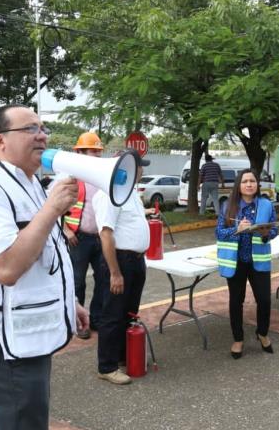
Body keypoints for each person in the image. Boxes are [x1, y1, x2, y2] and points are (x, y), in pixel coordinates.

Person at [0, 104, 88, 429]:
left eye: (43, 128)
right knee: (22, 422)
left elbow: (45, 255)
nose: (42, 136)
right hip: (7, 341)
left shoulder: (26, 182)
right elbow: (6, 268)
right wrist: (52, 209)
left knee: (32, 418)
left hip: (29, 332)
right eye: (30, 129)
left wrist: (69, 302)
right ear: (0, 140)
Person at [93, 149, 152, 385]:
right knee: (112, 315)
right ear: (126, 167)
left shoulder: (130, 193)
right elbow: (106, 234)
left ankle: (122, 357)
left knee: (129, 312)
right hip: (119, 262)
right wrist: (115, 273)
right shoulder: (109, 194)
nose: (143, 170)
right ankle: (106, 366)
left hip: (136, 261)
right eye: (139, 166)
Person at [216, 168, 277, 359]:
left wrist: (267, 234)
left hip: (258, 260)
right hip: (236, 262)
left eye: (252, 181)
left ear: (257, 184)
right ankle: (238, 339)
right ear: (239, 186)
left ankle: (262, 333)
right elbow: (219, 233)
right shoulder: (228, 206)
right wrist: (237, 229)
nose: (249, 184)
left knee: (264, 300)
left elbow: (274, 230)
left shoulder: (267, 205)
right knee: (236, 301)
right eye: (245, 182)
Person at [62, 132, 108, 340]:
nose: (97, 156)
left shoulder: (103, 177)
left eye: (99, 152)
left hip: (100, 237)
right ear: (79, 152)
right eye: (93, 151)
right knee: (77, 281)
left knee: (103, 280)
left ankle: (96, 319)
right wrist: (66, 230)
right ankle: (78, 322)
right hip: (77, 238)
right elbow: (52, 207)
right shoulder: (70, 177)